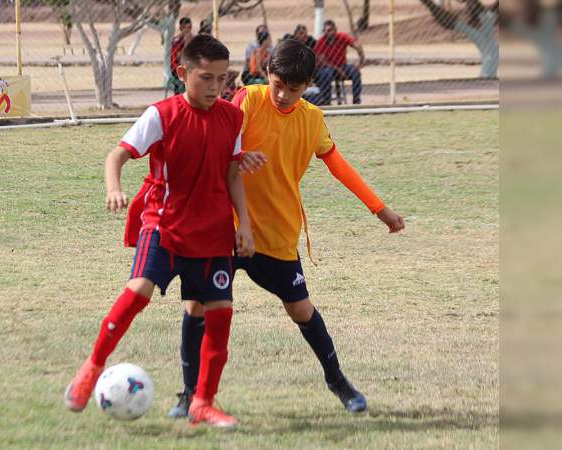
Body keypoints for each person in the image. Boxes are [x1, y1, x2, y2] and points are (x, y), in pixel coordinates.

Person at [165, 39, 405, 418]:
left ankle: (338, 381)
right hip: (223, 226)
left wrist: (379, 208)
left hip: (275, 232)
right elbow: (218, 137)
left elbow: (337, 164)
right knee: (197, 304)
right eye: (277, 84)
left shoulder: (311, 118)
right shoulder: (247, 100)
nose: (281, 94)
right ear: (267, 75)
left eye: (292, 89)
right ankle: (189, 394)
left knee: (300, 309)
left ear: (308, 84)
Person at [64, 34, 255, 429]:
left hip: (214, 230)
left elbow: (233, 173)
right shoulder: (161, 114)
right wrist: (113, 187)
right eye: (206, 78)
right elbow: (117, 155)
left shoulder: (233, 117)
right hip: (165, 223)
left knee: (221, 314)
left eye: (223, 79)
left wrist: (245, 226)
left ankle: (203, 402)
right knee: (138, 293)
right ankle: (91, 368)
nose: (216, 87)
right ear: (182, 72)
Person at [313, 20, 366, 105]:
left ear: (336, 29)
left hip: (342, 66)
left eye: (331, 30)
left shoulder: (342, 37)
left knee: (355, 71)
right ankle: (326, 102)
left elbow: (356, 44)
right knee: (326, 73)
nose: (329, 33)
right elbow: (322, 62)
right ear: (323, 32)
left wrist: (361, 59)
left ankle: (356, 101)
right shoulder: (321, 42)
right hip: (327, 68)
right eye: (326, 31)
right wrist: (337, 69)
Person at [170, 17, 193, 94]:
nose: (188, 30)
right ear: (180, 28)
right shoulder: (177, 40)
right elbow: (180, 58)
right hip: (177, 68)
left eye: (190, 28)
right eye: (185, 28)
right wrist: (186, 43)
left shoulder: (192, 39)